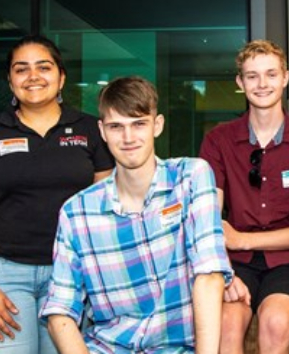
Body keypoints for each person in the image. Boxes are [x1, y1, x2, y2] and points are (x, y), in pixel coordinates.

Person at [41, 76, 232, 353]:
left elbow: (209, 275)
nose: (128, 138)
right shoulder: (77, 213)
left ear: (157, 125)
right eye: (116, 126)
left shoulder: (190, 178)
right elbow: (60, 311)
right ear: (102, 131)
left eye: (138, 124)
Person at [0, 35, 114, 353]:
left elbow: (105, 212)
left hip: (73, 276)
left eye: (44, 67)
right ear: (10, 80)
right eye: (21, 69)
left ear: (61, 77)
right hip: (3, 275)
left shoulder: (92, 130)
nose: (33, 76)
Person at [198, 39, 289, 354]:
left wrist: (243, 240)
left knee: (276, 321)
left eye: (270, 74)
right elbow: (209, 216)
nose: (262, 84)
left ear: (285, 78)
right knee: (225, 322)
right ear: (240, 83)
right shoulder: (218, 140)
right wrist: (223, 270)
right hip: (234, 262)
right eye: (252, 76)